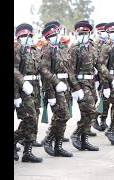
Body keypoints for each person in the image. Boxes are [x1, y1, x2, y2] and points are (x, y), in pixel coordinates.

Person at [14, 23, 68, 162]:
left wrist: (56, 82)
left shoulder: (35, 51)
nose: (27, 38)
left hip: (35, 89)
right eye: (23, 36)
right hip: (22, 89)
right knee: (29, 119)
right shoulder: (16, 51)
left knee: (34, 120)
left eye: (29, 35)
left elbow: (43, 70)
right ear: (18, 37)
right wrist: (17, 94)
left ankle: (27, 152)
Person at [68, 20, 114, 151]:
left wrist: (111, 79)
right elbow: (70, 71)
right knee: (91, 111)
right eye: (80, 33)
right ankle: (76, 134)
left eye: (86, 33)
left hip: (90, 83)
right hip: (80, 84)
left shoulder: (92, 49)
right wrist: (76, 88)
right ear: (76, 34)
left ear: (90, 33)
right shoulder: (74, 49)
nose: (83, 35)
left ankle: (84, 140)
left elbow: (100, 66)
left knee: (87, 113)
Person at [40, 21, 82, 157]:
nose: (55, 36)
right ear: (47, 38)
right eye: (51, 35)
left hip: (65, 86)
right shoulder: (46, 51)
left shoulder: (63, 48)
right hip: (54, 87)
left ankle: (58, 146)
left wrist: (75, 87)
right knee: (63, 115)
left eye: (56, 33)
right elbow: (45, 72)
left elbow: (69, 70)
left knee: (63, 116)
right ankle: (49, 140)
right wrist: (50, 94)